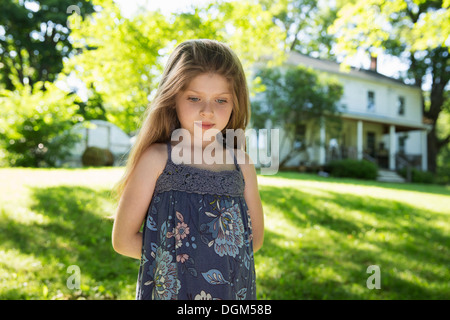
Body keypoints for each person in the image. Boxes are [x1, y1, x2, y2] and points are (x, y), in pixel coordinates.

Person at [112, 39, 264, 300]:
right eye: (194, 98)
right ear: (173, 99)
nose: (207, 111)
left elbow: (254, 240)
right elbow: (123, 240)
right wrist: (186, 263)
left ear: (235, 103)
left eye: (221, 100)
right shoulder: (158, 159)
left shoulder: (242, 163)